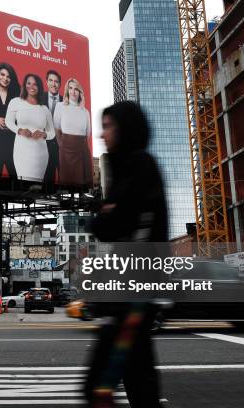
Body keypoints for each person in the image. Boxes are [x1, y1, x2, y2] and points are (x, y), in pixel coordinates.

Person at [84, 101, 167, 408]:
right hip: (132, 295)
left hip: (133, 298)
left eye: (108, 126)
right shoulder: (129, 167)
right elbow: (108, 222)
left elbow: (109, 224)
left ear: (125, 128)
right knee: (139, 385)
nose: (102, 134)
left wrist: (105, 214)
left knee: (99, 386)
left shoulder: (139, 165)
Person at [5, 73, 55, 181]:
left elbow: (52, 133)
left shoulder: (44, 109)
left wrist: (44, 134)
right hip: (22, 150)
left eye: (35, 84)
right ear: (24, 85)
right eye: (29, 83)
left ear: (39, 87)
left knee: (37, 186)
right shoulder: (16, 102)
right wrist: (20, 130)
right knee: (23, 183)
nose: (32, 87)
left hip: (40, 153)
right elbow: (8, 121)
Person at [53, 78, 92, 185]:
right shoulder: (60, 106)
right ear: (67, 90)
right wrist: (62, 145)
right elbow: (56, 129)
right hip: (65, 151)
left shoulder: (85, 111)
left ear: (80, 92)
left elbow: (87, 134)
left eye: (76, 89)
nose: (73, 91)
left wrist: (79, 144)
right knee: (66, 186)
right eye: (70, 88)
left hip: (82, 151)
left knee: (82, 187)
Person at [41, 70, 62, 183]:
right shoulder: (38, 99)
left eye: (56, 81)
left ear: (60, 84)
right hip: (44, 145)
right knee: (47, 180)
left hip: (62, 147)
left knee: (66, 180)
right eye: (51, 80)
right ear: (46, 82)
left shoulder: (66, 102)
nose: (53, 84)